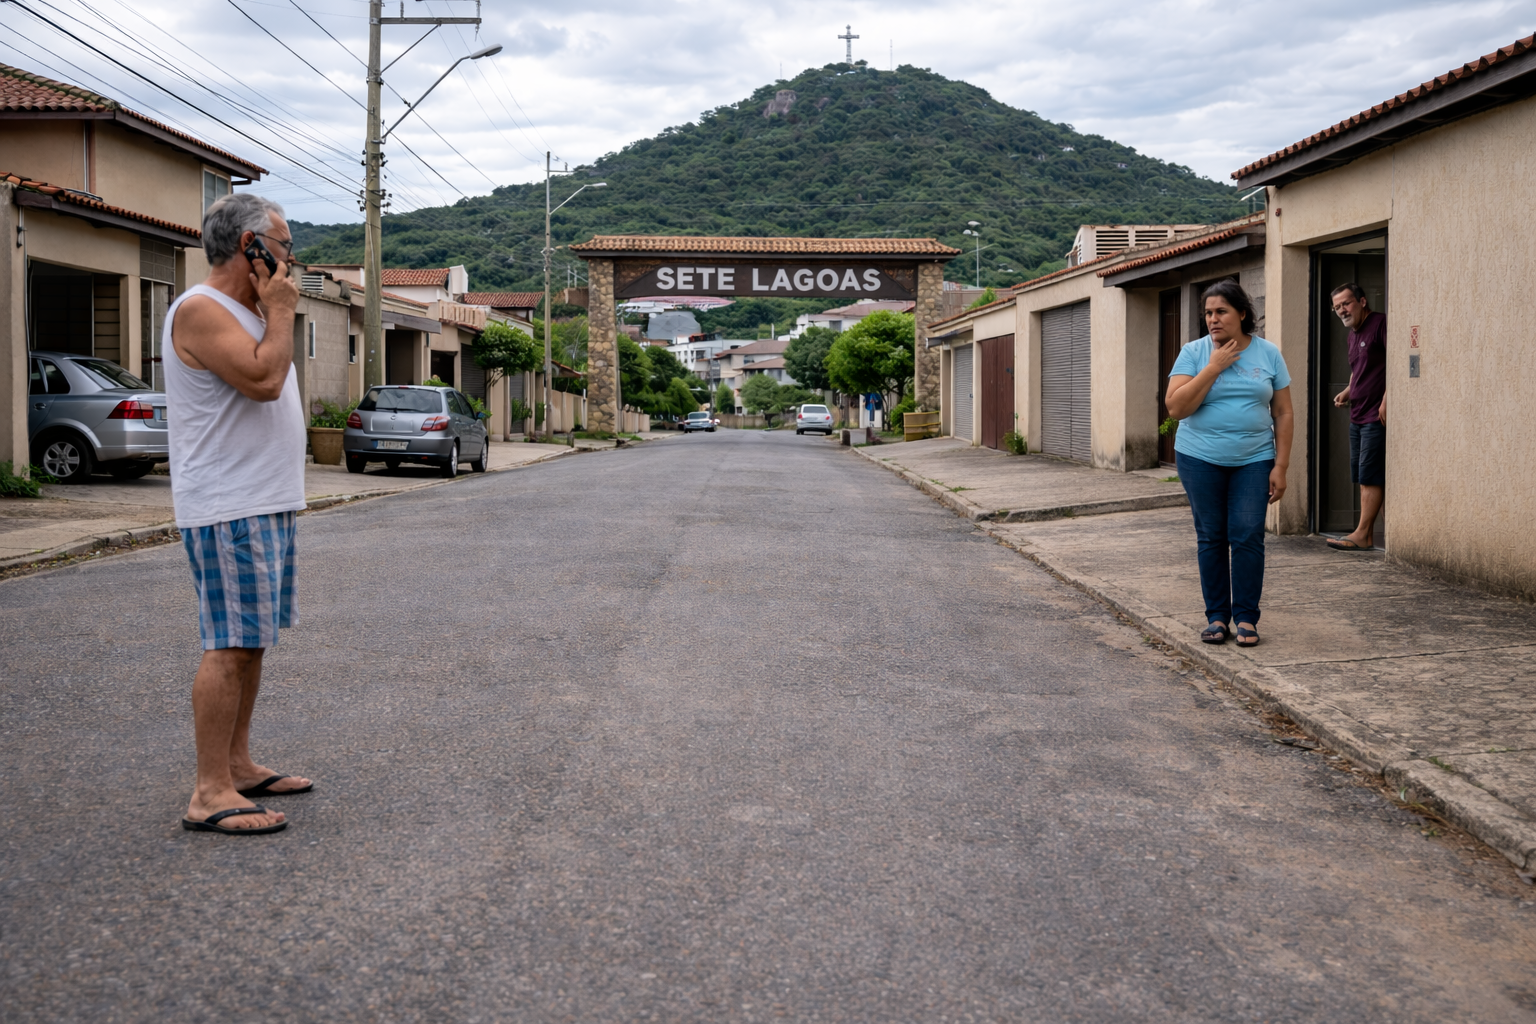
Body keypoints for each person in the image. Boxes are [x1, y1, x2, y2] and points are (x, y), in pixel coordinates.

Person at [168, 193, 312, 835]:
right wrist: (279, 309)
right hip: (230, 506)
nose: (291, 260)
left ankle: (239, 766)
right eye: (283, 245)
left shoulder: (247, 311)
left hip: (263, 502)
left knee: (251, 643)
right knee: (228, 645)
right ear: (249, 246)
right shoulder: (202, 310)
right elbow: (263, 380)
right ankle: (209, 791)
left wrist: (271, 309)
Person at [1165, 280, 1294, 649]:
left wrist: (1281, 466)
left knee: (1248, 534)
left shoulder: (1268, 353)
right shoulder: (1194, 352)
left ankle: (1247, 617)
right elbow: (1176, 408)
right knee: (1212, 537)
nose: (1213, 319)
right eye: (1207, 313)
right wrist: (1213, 368)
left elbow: (1283, 412)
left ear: (1241, 312)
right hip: (1199, 457)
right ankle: (1217, 617)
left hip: (1254, 459)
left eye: (1221, 311)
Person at [1326, 283, 1386, 552]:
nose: (1342, 310)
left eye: (1346, 304)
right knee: (1364, 476)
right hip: (1358, 414)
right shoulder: (1352, 335)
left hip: (1375, 414)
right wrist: (1348, 392)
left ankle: (1361, 533)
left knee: (1370, 477)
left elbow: (1394, 362)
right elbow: (1359, 370)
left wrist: (1388, 399)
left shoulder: (1380, 324)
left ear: (1362, 301)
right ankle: (1369, 535)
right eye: (1337, 307)